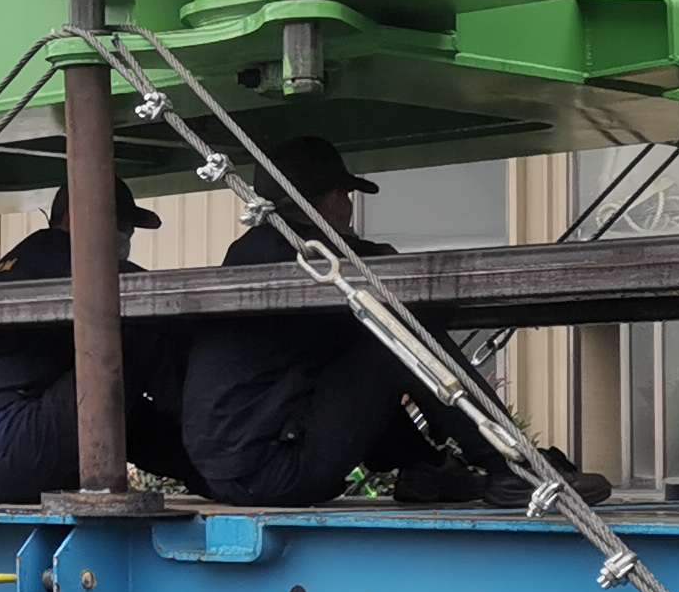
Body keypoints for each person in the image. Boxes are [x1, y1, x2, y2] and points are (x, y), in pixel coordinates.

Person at [179, 137, 500, 507]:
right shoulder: (316, 254)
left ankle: (425, 467)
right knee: (394, 336)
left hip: (230, 470)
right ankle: (508, 464)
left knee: (362, 349)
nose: (347, 208)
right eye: (345, 195)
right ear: (332, 198)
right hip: (275, 467)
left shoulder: (248, 251)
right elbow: (405, 308)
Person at [0, 181, 194, 502]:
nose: (125, 239)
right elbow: (153, 297)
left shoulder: (23, 263)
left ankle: (205, 467)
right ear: (78, 216)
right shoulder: (63, 254)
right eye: (123, 227)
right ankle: (211, 440)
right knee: (136, 330)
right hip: (19, 442)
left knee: (120, 407)